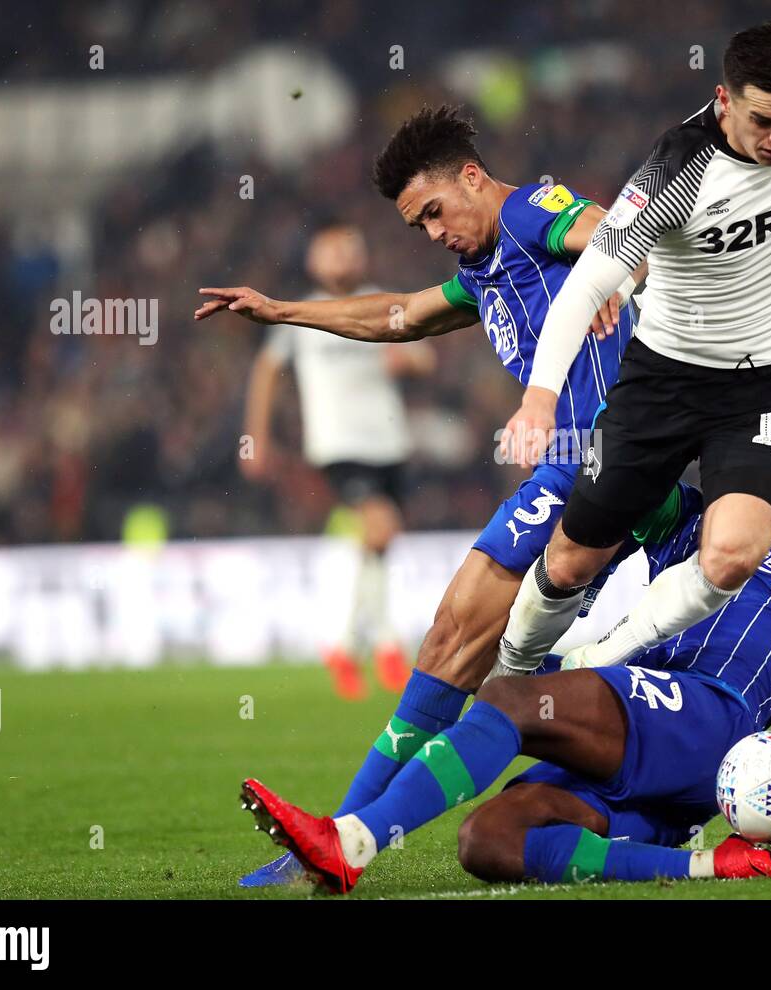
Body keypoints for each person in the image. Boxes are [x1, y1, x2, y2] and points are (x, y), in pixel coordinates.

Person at [239, 427, 771, 894]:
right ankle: (708, 863)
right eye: (768, 447)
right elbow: (616, 482)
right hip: (654, 760)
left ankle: (350, 842)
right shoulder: (691, 521)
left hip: (709, 717)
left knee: (518, 699)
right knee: (488, 841)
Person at [196, 105, 642, 887]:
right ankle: (337, 843)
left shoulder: (529, 212)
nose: (433, 232)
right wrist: (282, 309)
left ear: (471, 178)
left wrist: (609, 269)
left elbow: (612, 228)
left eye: (434, 211)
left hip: (596, 462)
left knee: (465, 647)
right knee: (462, 649)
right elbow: (398, 314)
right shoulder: (484, 268)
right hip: (576, 471)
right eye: (418, 226)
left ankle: (340, 844)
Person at [495, 22, 771, 682]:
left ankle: (593, 666)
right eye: (765, 121)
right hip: (665, 381)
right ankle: (510, 671)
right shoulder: (678, 167)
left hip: (765, 383)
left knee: (733, 554)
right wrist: (539, 398)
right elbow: (591, 278)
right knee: (570, 561)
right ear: (724, 100)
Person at [239, 222, 433, 699]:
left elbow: (425, 358)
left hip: (389, 442)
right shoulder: (301, 313)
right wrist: (255, 436)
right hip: (338, 445)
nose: (344, 257)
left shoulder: (381, 304)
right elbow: (266, 371)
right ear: (313, 259)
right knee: (380, 527)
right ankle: (372, 642)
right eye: (334, 249)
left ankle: (355, 646)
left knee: (379, 544)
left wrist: (405, 359)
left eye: (352, 247)